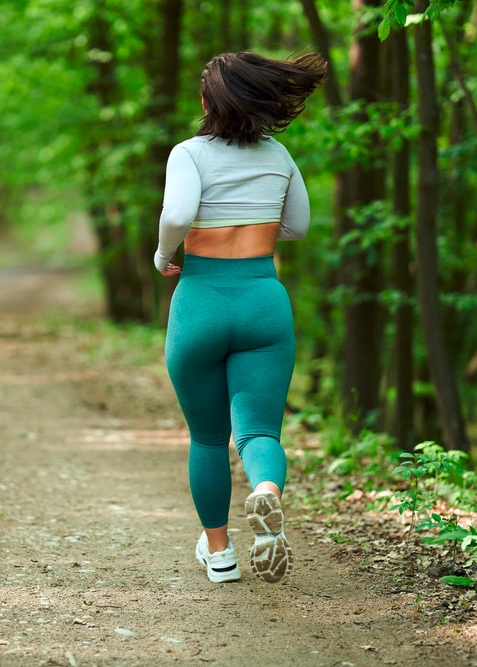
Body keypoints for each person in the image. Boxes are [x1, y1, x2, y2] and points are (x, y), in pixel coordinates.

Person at [154, 51, 326, 584]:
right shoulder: (278, 155)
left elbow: (178, 214)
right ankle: (266, 493)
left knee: (208, 438)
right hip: (262, 302)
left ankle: (220, 553)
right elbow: (298, 225)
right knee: (258, 434)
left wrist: (163, 254)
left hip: (202, 300)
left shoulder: (189, 153)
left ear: (209, 102)